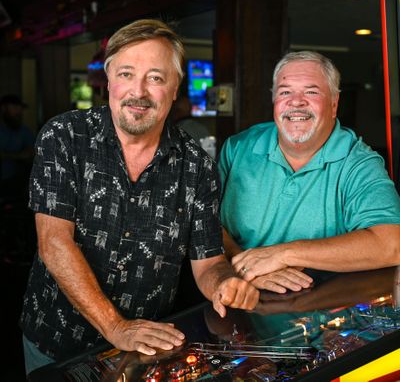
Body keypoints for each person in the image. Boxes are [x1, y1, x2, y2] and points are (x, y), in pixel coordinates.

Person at [20, 19, 259, 374]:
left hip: (145, 350)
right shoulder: (65, 136)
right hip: (57, 344)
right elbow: (53, 242)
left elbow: (208, 262)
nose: (139, 91)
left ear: (176, 88)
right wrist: (116, 327)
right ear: (110, 80)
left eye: (156, 78)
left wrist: (223, 284)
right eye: (127, 74)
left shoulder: (196, 165)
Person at [218, 51, 400, 294]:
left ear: (334, 104)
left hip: (323, 312)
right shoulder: (238, 148)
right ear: (274, 101)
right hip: (237, 294)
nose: (296, 101)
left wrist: (284, 254)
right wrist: (246, 267)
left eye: (311, 92)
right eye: (285, 92)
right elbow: (205, 224)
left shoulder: (358, 163)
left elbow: (392, 245)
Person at [0, 94, 35, 200]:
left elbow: (30, 154)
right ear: (3, 108)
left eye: (20, 109)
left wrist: (6, 155)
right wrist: (18, 155)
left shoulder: (24, 131)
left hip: (12, 184)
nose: (19, 113)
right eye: (15, 108)